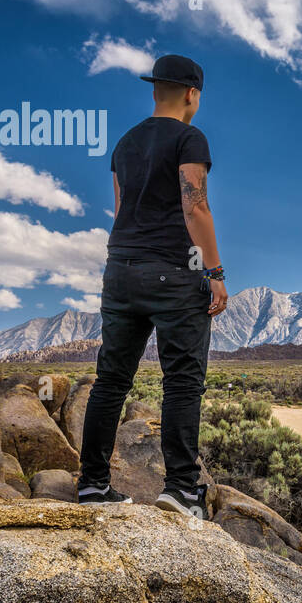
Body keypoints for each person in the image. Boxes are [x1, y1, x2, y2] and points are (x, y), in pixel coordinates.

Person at [76, 54, 228, 519]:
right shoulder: (189, 137)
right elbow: (194, 207)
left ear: (155, 89)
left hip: (119, 270)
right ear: (191, 94)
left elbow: (122, 208)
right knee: (182, 383)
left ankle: (92, 486)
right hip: (173, 274)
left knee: (111, 381)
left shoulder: (125, 143)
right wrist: (215, 273)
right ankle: (181, 490)